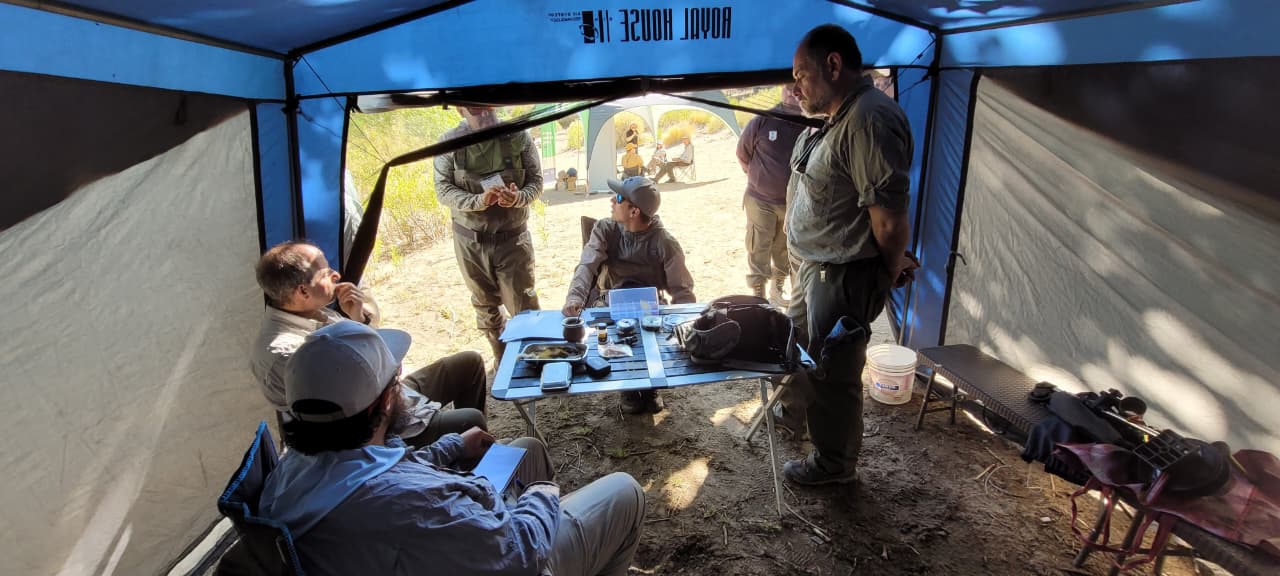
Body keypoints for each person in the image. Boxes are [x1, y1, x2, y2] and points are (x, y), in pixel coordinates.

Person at [259, 320, 646, 576]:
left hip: (403, 552)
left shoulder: (293, 470)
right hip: (513, 553)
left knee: (526, 449)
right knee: (625, 491)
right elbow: (519, 551)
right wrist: (541, 494)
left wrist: (451, 446)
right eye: (396, 383)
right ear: (383, 404)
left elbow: (377, 469)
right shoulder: (416, 506)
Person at [778, 24, 918, 485]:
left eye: (802, 75)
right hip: (814, 270)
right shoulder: (841, 118)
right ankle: (796, 418)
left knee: (833, 372)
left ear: (833, 65)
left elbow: (889, 220)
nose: (796, 86)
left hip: (840, 276)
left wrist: (888, 270)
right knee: (798, 349)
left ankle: (833, 465)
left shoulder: (870, 119)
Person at [252, 240, 488, 448]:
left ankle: (465, 453)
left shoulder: (315, 313)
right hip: (370, 427)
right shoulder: (285, 352)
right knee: (470, 420)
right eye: (325, 273)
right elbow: (353, 404)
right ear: (302, 291)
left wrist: (356, 318)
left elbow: (374, 358)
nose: (336, 274)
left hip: (388, 393)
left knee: (469, 363)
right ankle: (460, 462)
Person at [562, 176, 695, 414]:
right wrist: (575, 298)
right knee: (614, 333)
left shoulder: (665, 243)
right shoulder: (605, 229)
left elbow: (682, 291)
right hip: (609, 303)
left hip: (648, 309)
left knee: (652, 332)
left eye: (620, 198)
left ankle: (651, 384)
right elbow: (587, 266)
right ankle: (630, 386)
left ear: (634, 211)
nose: (613, 199)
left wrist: (683, 330)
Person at [434, 106, 543, 366]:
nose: (483, 112)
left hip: (512, 240)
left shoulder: (518, 135)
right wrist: (477, 201)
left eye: (487, 105)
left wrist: (518, 198)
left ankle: (534, 361)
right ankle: (501, 358)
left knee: (523, 305)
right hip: (470, 242)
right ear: (461, 111)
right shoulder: (449, 143)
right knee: (485, 306)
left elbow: (536, 182)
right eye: (474, 109)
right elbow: (443, 190)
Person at [737, 89, 806, 306]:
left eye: (796, 90)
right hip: (760, 199)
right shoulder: (762, 120)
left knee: (784, 248)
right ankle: (758, 293)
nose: (791, 94)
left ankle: (778, 288)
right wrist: (761, 180)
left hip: (792, 203)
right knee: (758, 245)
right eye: (787, 88)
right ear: (782, 91)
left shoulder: (810, 123)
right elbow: (742, 154)